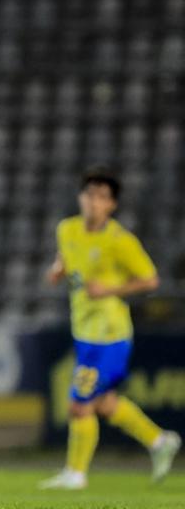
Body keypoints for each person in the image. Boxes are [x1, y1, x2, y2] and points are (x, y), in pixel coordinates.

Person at [39, 167, 180, 490]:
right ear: (81, 197)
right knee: (103, 403)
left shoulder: (120, 241)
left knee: (79, 404)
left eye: (102, 197)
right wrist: (58, 269)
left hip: (109, 335)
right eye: (89, 194)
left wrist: (109, 290)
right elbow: (66, 257)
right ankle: (160, 441)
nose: (93, 202)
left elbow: (150, 279)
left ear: (112, 205)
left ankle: (76, 474)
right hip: (84, 331)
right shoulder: (67, 229)